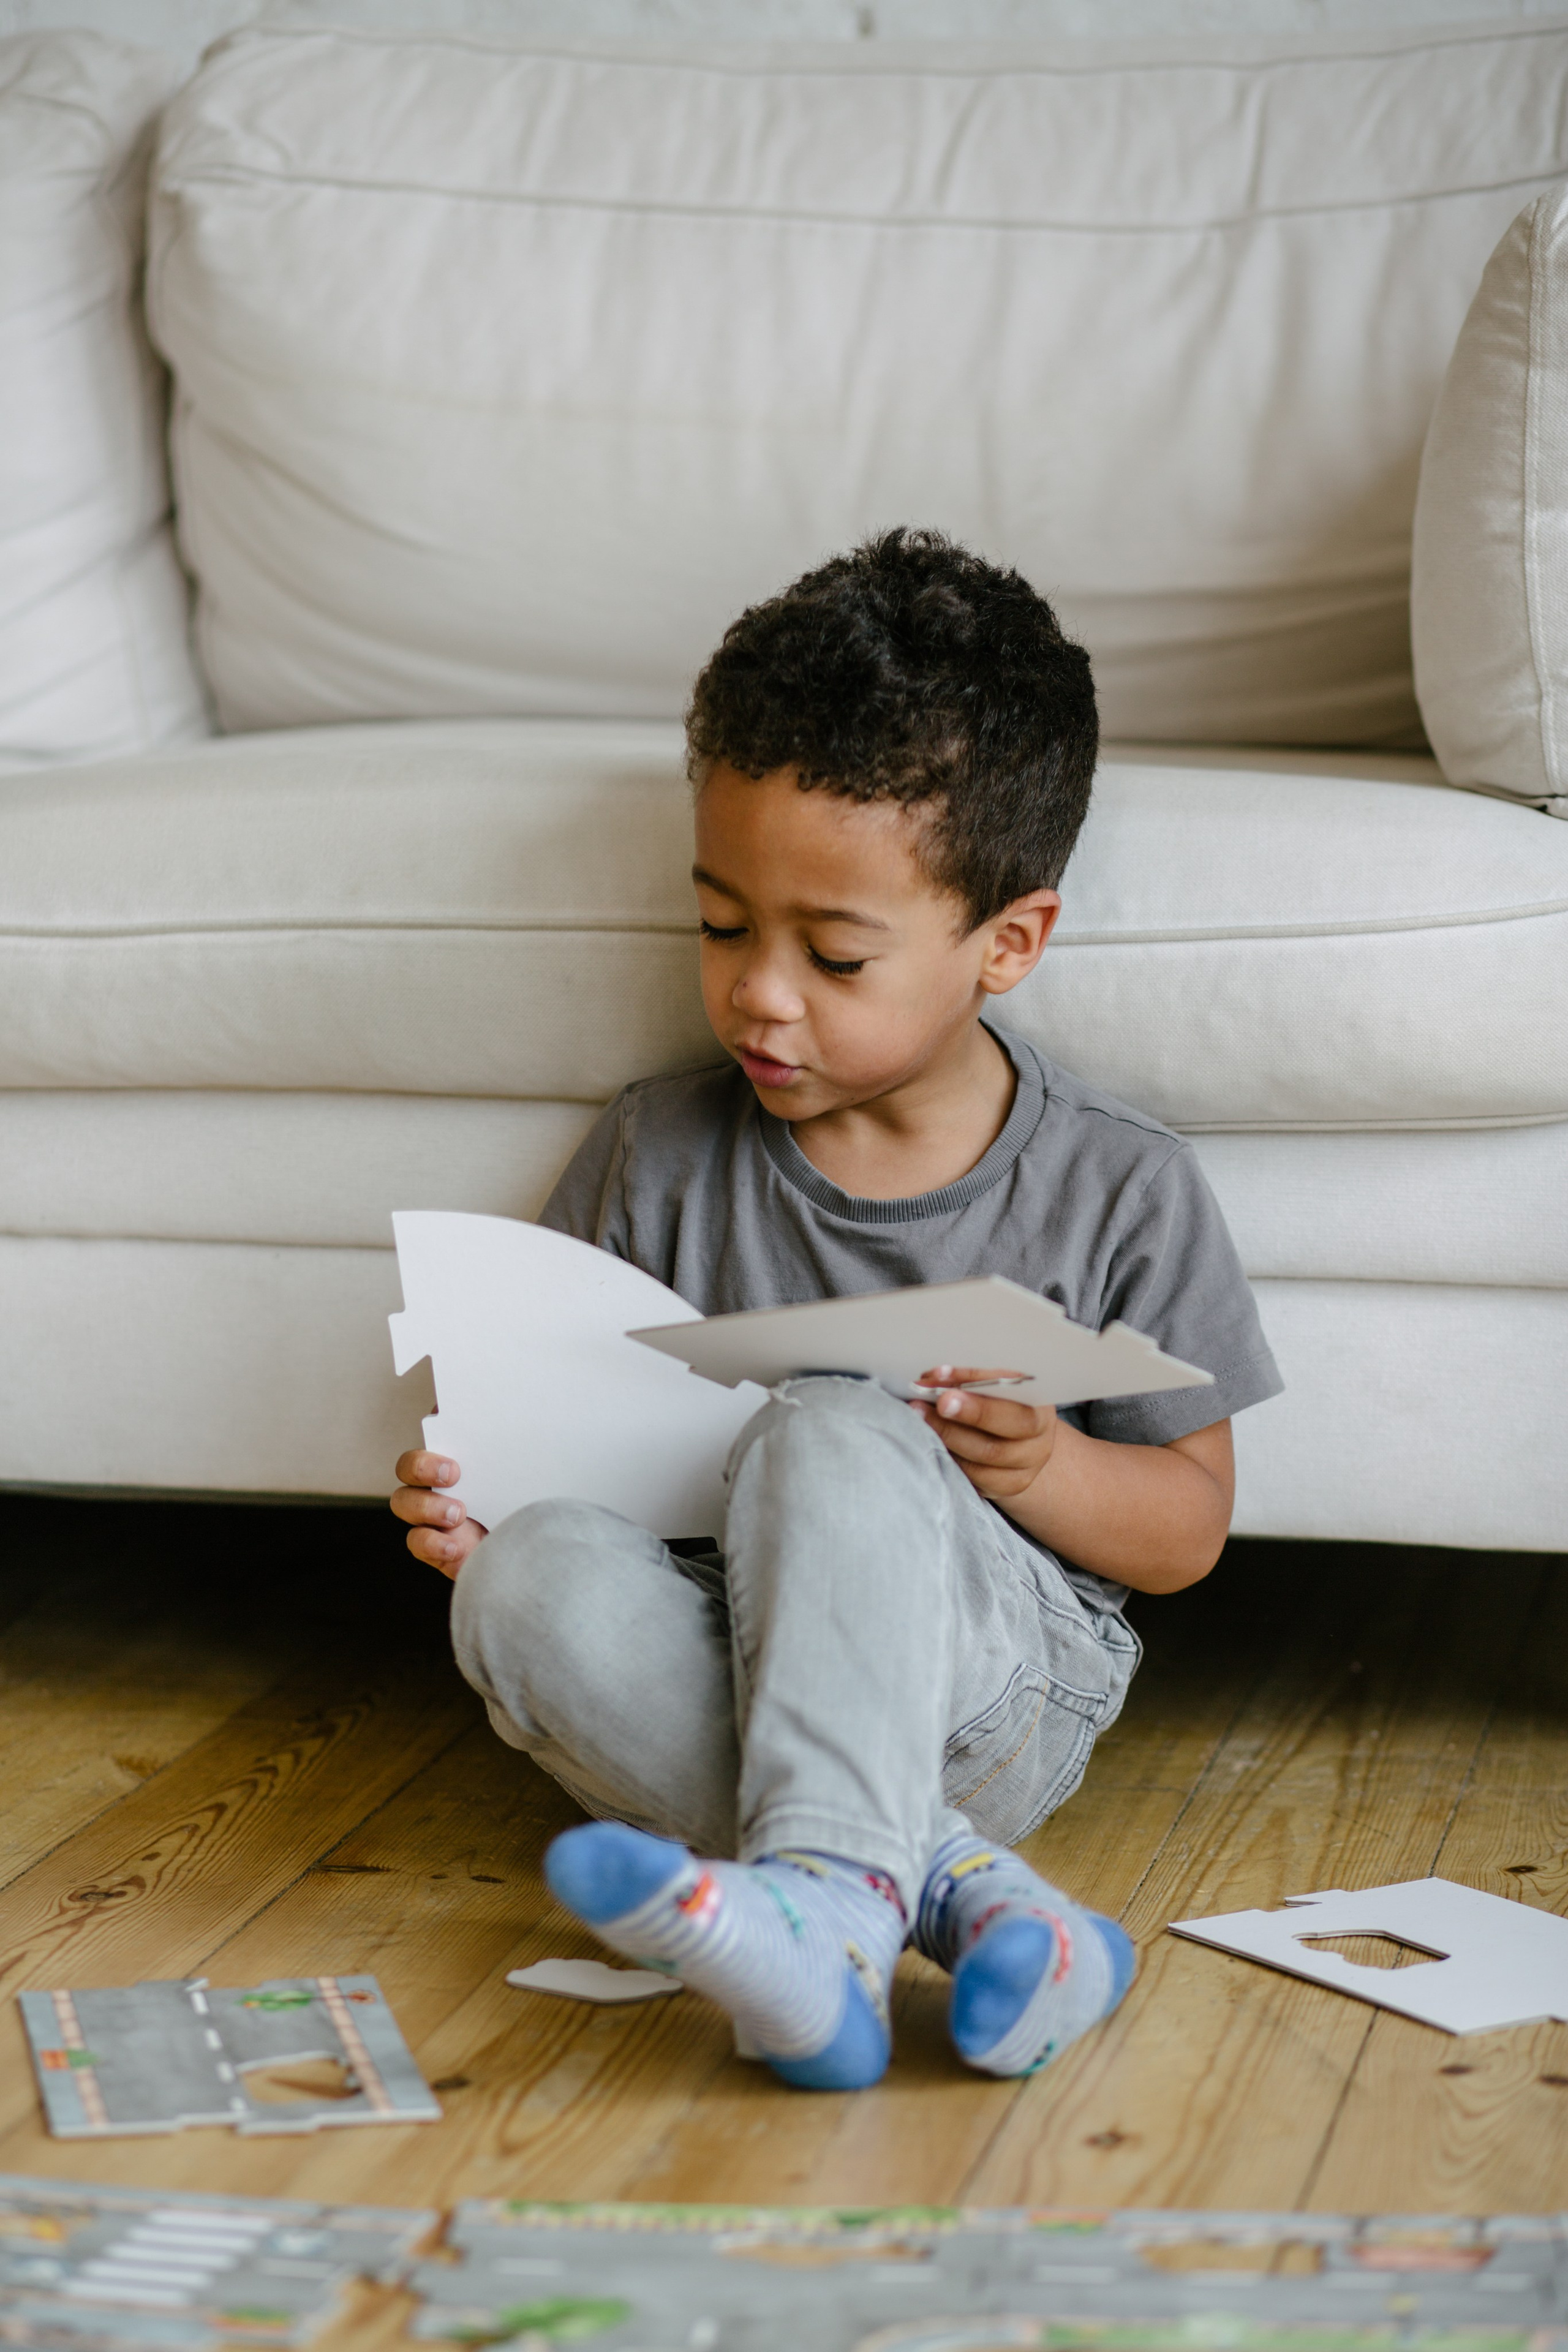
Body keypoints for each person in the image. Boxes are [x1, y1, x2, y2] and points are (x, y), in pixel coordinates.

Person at [391, 529, 1281, 2094]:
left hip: (994, 1687)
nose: (759, 994)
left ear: (1007, 943)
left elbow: (1188, 1535)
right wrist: (481, 1494)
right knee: (521, 1587)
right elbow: (561, 1444)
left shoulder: (1114, 1183)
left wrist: (1036, 1467)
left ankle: (833, 1896)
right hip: (725, 1656)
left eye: (835, 952)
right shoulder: (656, 1153)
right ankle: (947, 1899)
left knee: (835, 1420)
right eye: (723, 925)